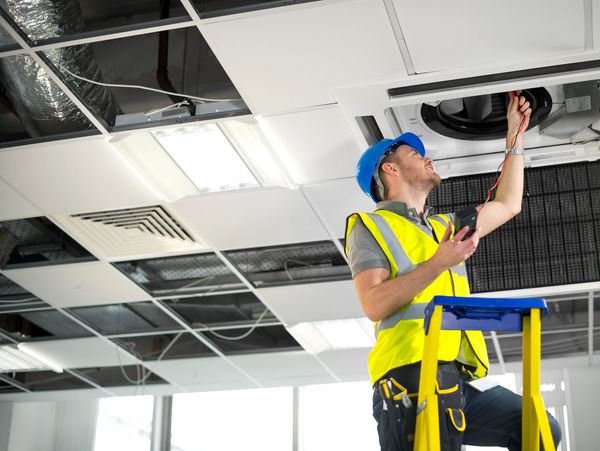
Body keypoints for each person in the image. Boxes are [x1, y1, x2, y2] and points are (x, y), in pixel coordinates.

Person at [344, 94, 562, 450]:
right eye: (415, 155)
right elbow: (373, 303)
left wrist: (515, 137)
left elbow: (507, 204)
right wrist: (438, 263)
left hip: (453, 379)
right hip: (408, 379)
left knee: (539, 428)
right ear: (390, 169)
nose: (427, 158)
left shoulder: (445, 226)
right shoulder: (369, 227)